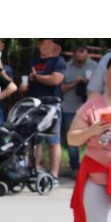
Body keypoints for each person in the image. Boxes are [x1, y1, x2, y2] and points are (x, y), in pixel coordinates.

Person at [66, 49, 111, 222]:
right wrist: (92, 130)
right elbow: (72, 138)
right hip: (96, 175)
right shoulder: (92, 106)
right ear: (105, 76)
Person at [27, 39, 67, 182]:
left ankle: (54, 175)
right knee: (34, 140)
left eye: (48, 43)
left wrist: (37, 77)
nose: (44, 46)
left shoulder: (58, 61)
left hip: (52, 104)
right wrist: (24, 85)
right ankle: (34, 171)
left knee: (53, 140)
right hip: (34, 104)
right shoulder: (33, 62)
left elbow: (56, 80)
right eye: (42, 43)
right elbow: (27, 81)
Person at [62, 45, 99, 177]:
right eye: (79, 58)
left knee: (94, 138)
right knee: (73, 139)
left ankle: (91, 167)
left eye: (84, 58)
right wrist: (75, 83)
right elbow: (61, 89)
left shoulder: (95, 66)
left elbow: (102, 89)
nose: (81, 61)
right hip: (70, 107)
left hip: (91, 108)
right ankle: (75, 167)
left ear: (87, 55)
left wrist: (90, 83)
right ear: (74, 55)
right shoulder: (66, 66)